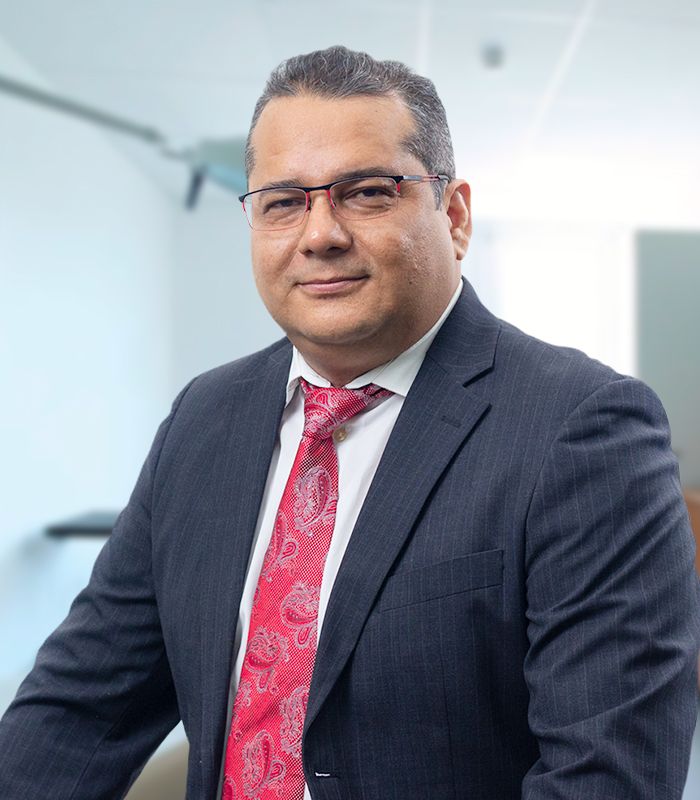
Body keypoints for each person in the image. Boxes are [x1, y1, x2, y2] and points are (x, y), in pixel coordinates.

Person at [0, 45, 698, 800]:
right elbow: (82, 706)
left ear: (454, 216)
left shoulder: (584, 428)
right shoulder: (204, 418)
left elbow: (605, 776)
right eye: (283, 202)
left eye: (366, 193)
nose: (320, 234)